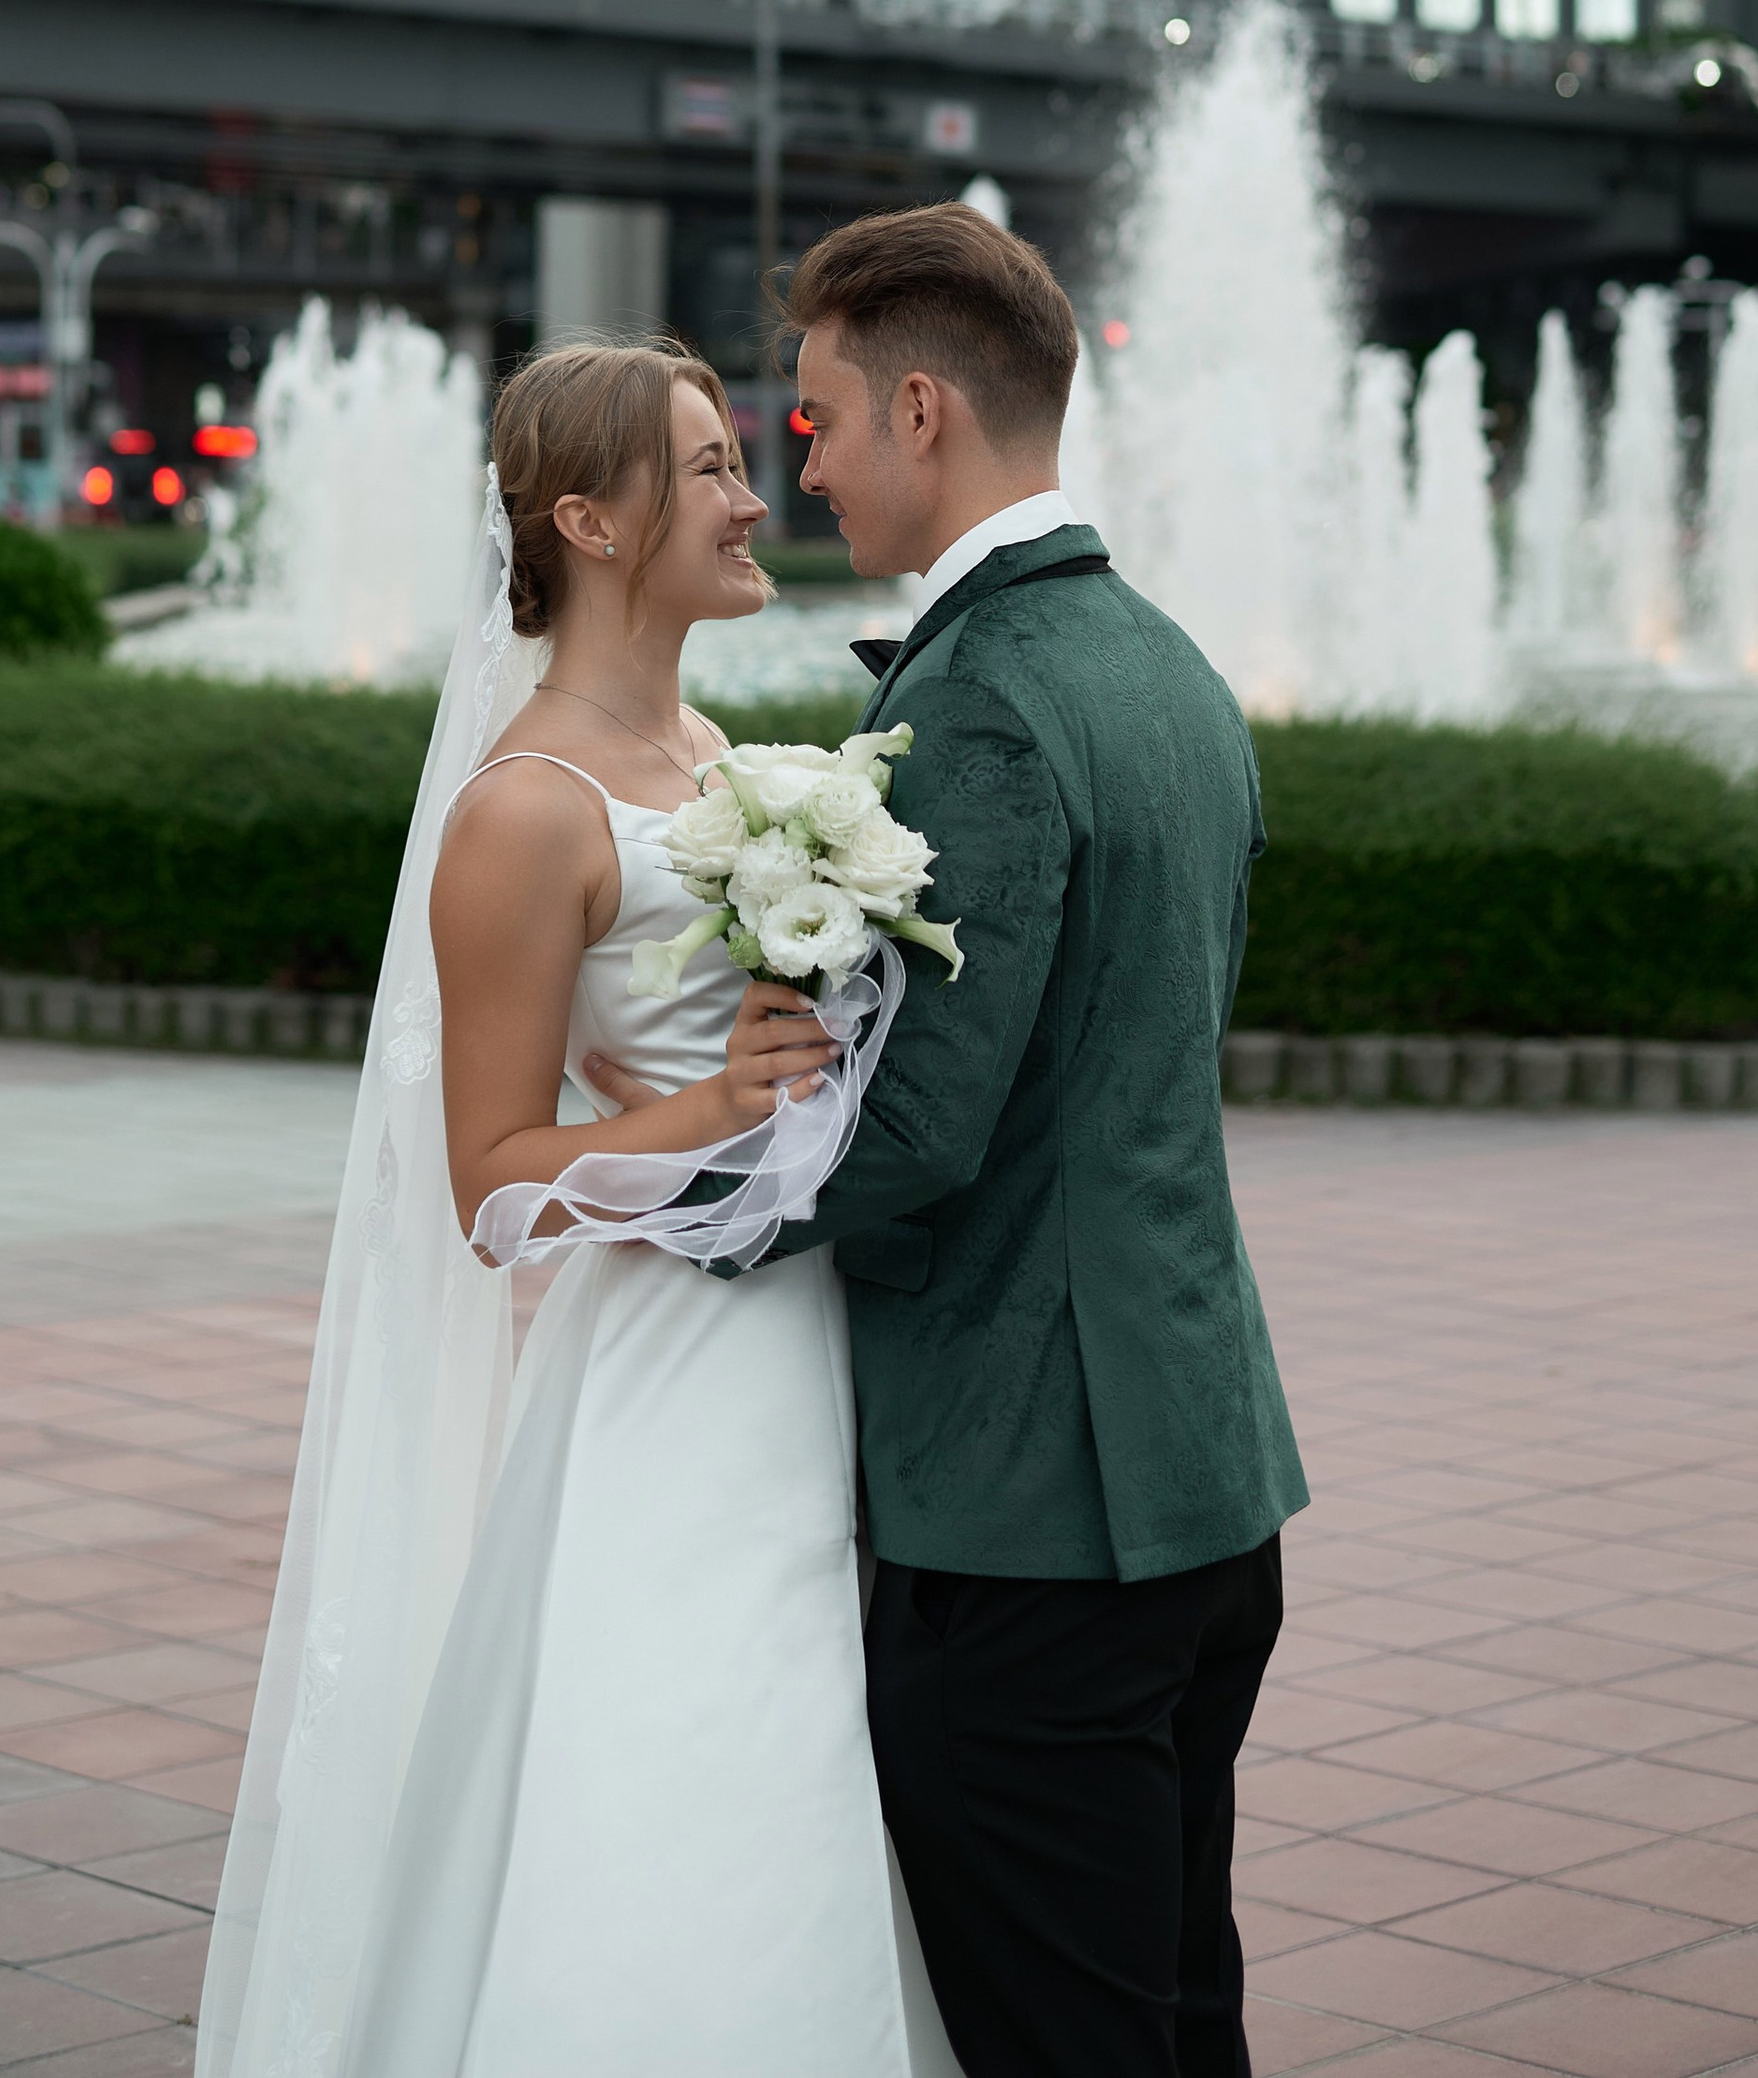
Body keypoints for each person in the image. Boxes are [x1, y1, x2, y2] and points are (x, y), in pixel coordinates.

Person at [195, 338, 961, 2078]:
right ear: (589, 522)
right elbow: (481, 1186)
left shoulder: (710, 747)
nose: (755, 495)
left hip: (816, 1333)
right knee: (711, 1750)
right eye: (707, 469)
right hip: (676, 1375)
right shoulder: (526, 814)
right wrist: (707, 1109)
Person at [673, 207, 1307, 2078]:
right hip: (1199, 1467)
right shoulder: (1170, 670)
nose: (803, 457)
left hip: (1036, 1520)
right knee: (1176, 2009)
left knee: (1072, 2041)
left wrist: (670, 1207)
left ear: (925, 410)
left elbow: (924, 1126)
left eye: (819, 418)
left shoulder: (983, 703)